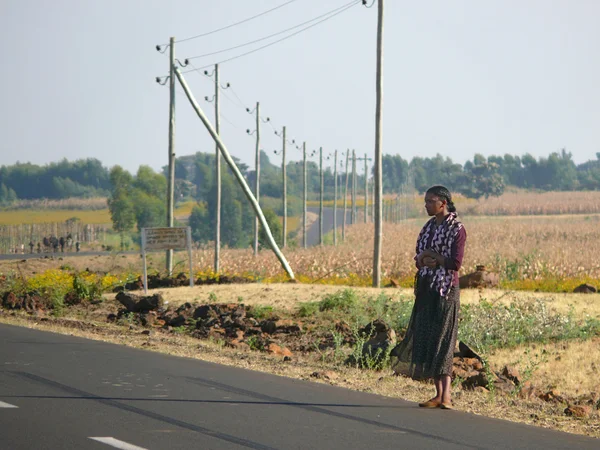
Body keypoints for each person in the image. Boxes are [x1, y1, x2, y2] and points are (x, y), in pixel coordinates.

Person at [392, 185, 467, 410]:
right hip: (427, 288)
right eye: (425, 201)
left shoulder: (457, 229)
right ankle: (438, 395)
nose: (426, 205)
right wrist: (425, 259)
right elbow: (418, 256)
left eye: (430, 201)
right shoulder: (428, 228)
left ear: (443, 203)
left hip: (445, 291)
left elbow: (455, 263)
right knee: (430, 339)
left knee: (444, 342)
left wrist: (434, 257)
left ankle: (447, 397)